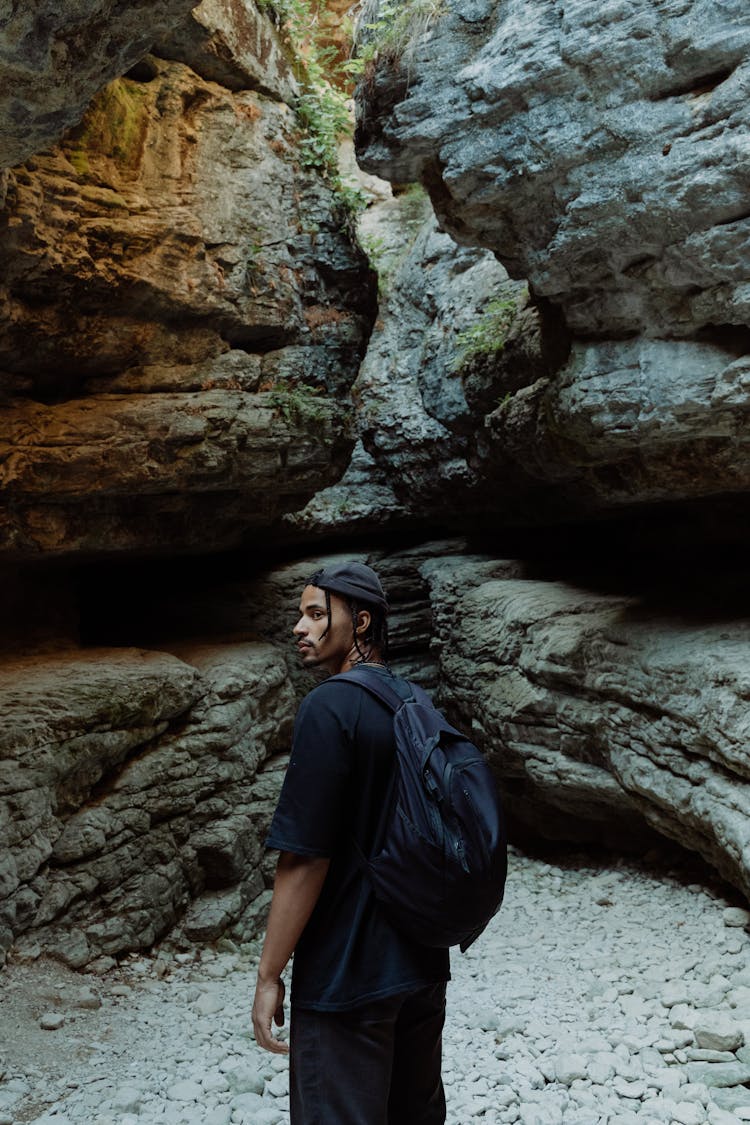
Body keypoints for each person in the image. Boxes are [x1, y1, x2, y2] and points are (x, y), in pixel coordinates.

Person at [251, 561, 450, 1125]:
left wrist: (269, 976)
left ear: (360, 622)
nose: (300, 627)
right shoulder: (417, 702)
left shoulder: (328, 707)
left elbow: (305, 858)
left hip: (346, 975)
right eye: (300, 614)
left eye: (317, 614)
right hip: (420, 964)